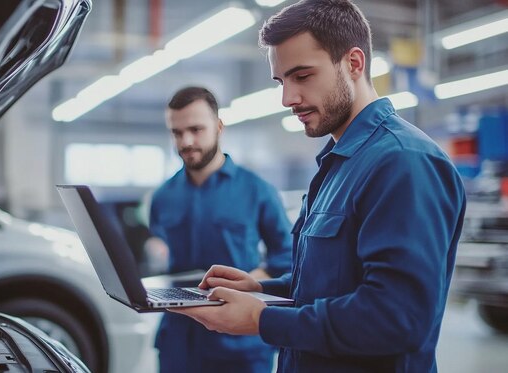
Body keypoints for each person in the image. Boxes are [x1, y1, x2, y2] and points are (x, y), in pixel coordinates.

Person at [172, 1, 467, 372]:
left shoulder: (404, 162)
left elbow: (397, 317)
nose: (287, 98)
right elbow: (331, 285)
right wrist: (262, 289)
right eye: (282, 81)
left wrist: (261, 319)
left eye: (303, 75)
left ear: (354, 63)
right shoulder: (338, 163)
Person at [149, 86, 293, 373]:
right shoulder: (163, 196)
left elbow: (288, 256)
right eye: (177, 133)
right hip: (179, 341)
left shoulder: (257, 191)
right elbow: (157, 242)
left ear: (218, 127)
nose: (186, 141)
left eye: (196, 129)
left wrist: (249, 281)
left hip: (238, 345)